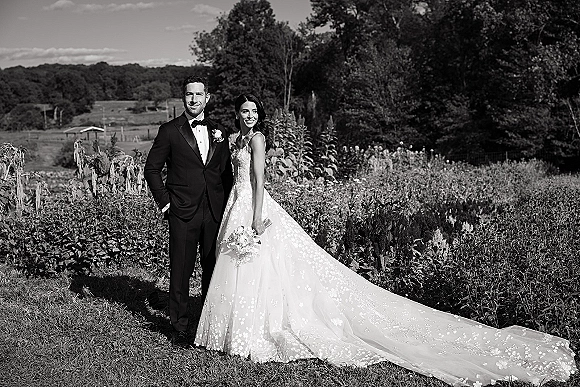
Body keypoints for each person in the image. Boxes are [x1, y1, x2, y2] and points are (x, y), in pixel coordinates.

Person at [194, 93, 577, 386]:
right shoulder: (233, 139)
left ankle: (260, 330)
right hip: (235, 203)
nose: (248, 116)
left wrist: (258, 217)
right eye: (243, 111)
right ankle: (243, 331)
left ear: (260, 116)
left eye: (253, 112)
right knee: (248, 269)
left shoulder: (257, 140)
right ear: (237, 114)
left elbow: (260, 180)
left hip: (253, 207)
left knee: (263, 263)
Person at [144, 75, 233, 345]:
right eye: (188, 95)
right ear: (184, 98)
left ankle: (209, 322)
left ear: (207, 97)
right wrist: (165, 202)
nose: (193, 99)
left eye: (198, 94)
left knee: (212, 268)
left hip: (214, 211)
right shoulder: (170, 130)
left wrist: (229, 205)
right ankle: (179, 325)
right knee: (181, 269)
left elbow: (224, 173)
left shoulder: (220, 132)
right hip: (182, 211)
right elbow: (151, 169)